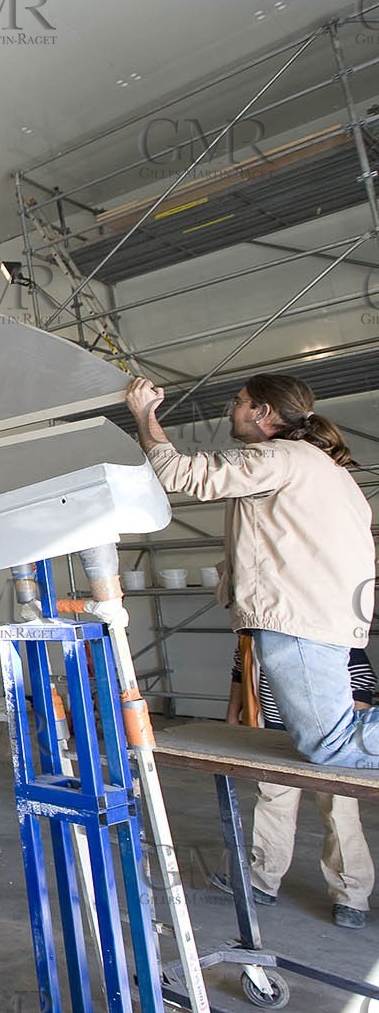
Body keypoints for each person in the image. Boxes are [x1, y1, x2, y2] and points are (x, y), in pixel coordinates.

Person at [124, 373, 377, 767]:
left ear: (262, 411)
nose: (231, 408)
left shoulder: (275, 458)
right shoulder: (322, 467)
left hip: (299, 618)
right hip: (320, 614)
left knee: (330, 743)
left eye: (239, 401)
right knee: (326, 740)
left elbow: (176, 473)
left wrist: (144, 414)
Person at [211, 646, 375, 928]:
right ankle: (263, 880)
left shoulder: (320, 624)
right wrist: (232, 713)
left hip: (329, 740)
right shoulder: (251, 633)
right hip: (276, 734)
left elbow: (361, 682)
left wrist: (352, 739)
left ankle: (351, 897)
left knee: (339, 811)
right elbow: (240, 672)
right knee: (273, 803)